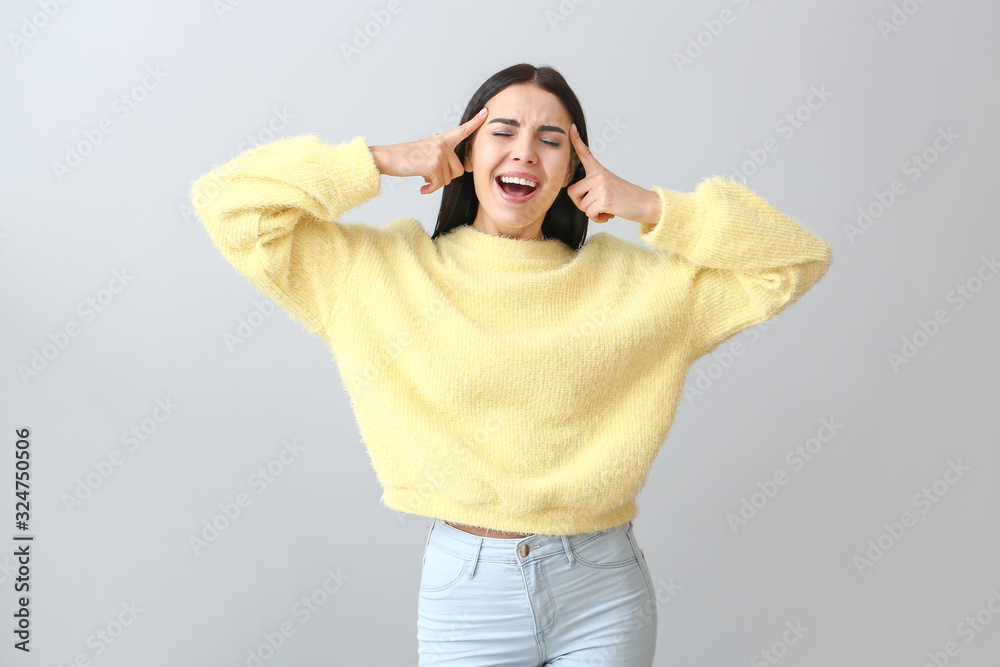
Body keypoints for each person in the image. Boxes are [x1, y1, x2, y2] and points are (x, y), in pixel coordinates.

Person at [190, 62, 833, 666]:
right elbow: (230, 203)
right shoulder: (382, 272)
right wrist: (378, 161)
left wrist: (648, 205)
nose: (525, 150)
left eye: (551, 139)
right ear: (466, 153)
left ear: (573, 166)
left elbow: (795, 260)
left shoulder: (634, 283)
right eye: (502, 131)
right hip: (470, 589)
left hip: (603, 585)